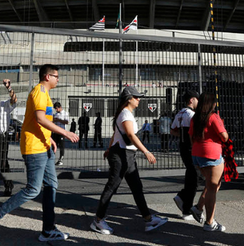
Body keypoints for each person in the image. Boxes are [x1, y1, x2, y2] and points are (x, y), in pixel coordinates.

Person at [0, 64, 79, 243]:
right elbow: (40, 118)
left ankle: (48, 229)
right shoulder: (40, 91)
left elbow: (37, 122)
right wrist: (65, 133)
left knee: (51, 185)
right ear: (48, 77)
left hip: (43, 146)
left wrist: (49, 139)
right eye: (56, 76)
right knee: (33, 189)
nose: (58, 79)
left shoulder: (45, 94)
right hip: (34, 148)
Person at [90, 86, 168, 235]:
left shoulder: (125, 113)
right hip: (121, 155)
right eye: (136, 97)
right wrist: (146, 151)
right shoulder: (125, 114)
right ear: (129, 99)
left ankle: (148, 219)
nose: (139, 99)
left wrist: (109, 148)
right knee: (112, 186)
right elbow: (131, 135)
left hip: (126, 155)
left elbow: (116, 134)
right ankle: (98, 221)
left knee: (136, 187)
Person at [189, 93, 229, 232]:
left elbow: (191, 136)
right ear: (211, 104)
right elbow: (224, 137)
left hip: (197, 153)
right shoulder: (213, 117)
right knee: (213, 187)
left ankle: (199, 207)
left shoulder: (195, 118)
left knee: (212, 184)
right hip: (212, 154)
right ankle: (209, 222)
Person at [170, 89, 203, 222]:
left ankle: (183, 198)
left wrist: (182, 136)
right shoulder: (192, 115)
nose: (198, 102)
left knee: (191, 175)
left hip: (183, 148)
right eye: (196, 99)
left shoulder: (180, 113)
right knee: (195, 177)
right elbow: (193, 134)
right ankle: (186, 207)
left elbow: (172, 130)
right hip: (191, 148)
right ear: (191, 100)